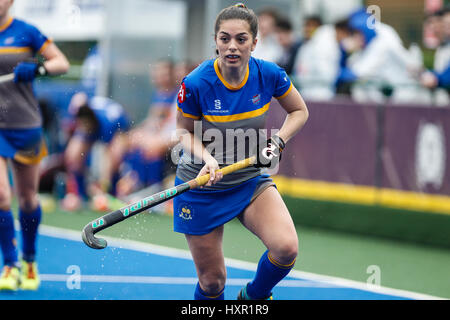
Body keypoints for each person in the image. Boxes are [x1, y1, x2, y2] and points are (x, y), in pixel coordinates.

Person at [174, 3, 309, 300]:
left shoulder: (269, 74)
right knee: (212, 282)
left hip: (248, 179)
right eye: (224, 39)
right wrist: (208, 159)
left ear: (254, 42)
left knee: (286, 248)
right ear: (216, 41)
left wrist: (278, 141)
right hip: (200, 185)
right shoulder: (197, 82)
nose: (232, 46)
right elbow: (183, 132)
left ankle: (252, 298)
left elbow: (299, 111)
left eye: (241, 39)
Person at [0, 0, 69, 290]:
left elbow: (61, 63)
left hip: (26, 126)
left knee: (28, 198)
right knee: (2, 197)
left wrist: (38, 69)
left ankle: (29, 260)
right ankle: (10, 264)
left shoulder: (26, 32)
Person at [62, 92, 130, 211]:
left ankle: (111, 194)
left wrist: (102, 187)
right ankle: (79, 195)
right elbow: (72, 155)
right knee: (73, 155)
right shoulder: (80, 117)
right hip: (93, 122)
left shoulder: (108, 123)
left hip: (117, 127)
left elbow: (109, 157)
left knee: (115, 156)